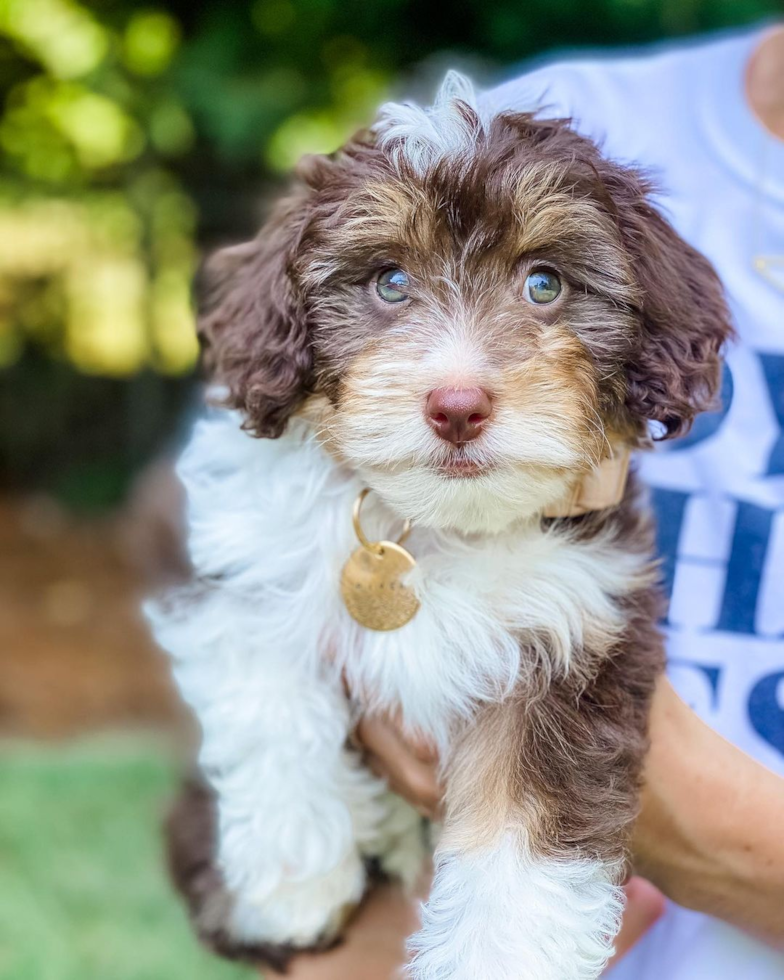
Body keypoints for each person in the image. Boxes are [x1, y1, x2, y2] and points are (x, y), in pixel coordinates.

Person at [272, 22, 784, 979]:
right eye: (395, 284)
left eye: (544, 284)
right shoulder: (544, 119)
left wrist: (680, 809)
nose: (459, 376)